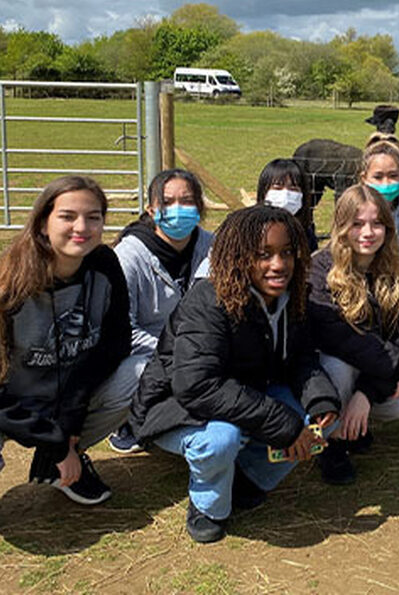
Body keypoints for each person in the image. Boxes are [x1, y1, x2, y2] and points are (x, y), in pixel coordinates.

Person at [129, 206, 339, 543]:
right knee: (221, 440)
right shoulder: (208, 300)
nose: (278, 264)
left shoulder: (290, 297)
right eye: (263, 254)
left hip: (244, 393)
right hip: (176, 407)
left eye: (287, 252)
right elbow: (197, 387)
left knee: (324, 420)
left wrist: (321, 401)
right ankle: (207, 505)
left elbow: (300, 358)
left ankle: (247, 477)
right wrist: (284, 425)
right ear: (238, 256)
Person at [0, 176, 130, 504]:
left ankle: (65, 462)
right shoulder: (9, 285)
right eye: (67, 216)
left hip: (66, 397)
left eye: (94, 216)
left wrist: (70, 419)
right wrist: (52, 441)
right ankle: (58, 454)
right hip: (11, 402)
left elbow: (116, 343)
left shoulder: (104, 264)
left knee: (140, 373)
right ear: (43, 223)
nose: (81, 227)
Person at [308, 184, 399, 485]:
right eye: (357, 223)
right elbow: (339, 337)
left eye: (377, 224)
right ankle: (331, 443)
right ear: (341, 226)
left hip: (375, 369)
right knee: (337, 365)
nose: (368, 232)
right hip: (330, 368)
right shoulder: (319, 270)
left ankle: (356, 423)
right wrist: (395, 367)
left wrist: (367, 393)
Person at [107, 168, 213, 454]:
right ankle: (133, 417)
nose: (178, 209)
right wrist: (175, 352)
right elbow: (122, 329)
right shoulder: (128, 256)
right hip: (147, 353)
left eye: (187, 201)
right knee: (148, 372)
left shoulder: (213, 247)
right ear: (151, 209)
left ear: (200, 207)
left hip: (199, 348)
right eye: (167, 202)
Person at [359, 140, 399, 273]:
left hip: (396, 277)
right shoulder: (354, 209)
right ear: (364, 178)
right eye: (378, 177)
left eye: (393, 176)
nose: (386, 184)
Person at [257, 158, 317, 251]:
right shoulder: (251, 230)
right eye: (277, 187)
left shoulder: (306, 233)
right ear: (264, 192)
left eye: (293, 188)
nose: (286, 194)